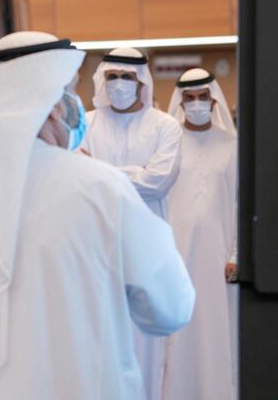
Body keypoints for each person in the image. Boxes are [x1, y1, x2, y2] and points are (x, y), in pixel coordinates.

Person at [0, 32, 195, 400]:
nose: (75, 107)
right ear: (50, 104)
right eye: (71, 93)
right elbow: (171, 307)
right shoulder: (99, 187)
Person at [80, 47, 182, 400]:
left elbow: (159, 181)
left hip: (146, 251)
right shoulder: (85, 121)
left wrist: (98, 170)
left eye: (128, 77)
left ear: (143, 82)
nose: (120, 84)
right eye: (112, 76)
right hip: (94, 249)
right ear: (101, 79)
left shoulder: (165, 126)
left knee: (147, 350)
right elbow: (74, 177)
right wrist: (129, 174)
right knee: (97, 344)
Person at [163, 68, 238, 400]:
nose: (195, 104)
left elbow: (240, 202)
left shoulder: (232, 145)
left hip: (219, 263)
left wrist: (236, 255)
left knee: (217, 339)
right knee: (179, 341)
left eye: (202, 98)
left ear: (213, 100)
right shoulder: (167, 144)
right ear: (180, 102)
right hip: (176, 258)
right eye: (189, 99)